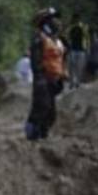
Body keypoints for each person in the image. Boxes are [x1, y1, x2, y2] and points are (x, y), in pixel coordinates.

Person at [25, 8, 65, 141]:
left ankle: (43, 133)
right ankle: (32, 133)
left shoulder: (56, 40)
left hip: (54, 79)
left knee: (51, 112)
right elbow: (36, 61)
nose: (57, 22)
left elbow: (58, 60)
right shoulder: (39, 38)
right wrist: (40, 77)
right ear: (45, 22)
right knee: (41, 106)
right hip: (43, 78)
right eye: (54, 19)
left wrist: (60, 77)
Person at [65, 14, 91, 89]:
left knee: (79, 67)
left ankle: (78, 82)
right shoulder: (71, 27)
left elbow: (87, 38)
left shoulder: (83, 27)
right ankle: (72, 82)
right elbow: (66, 36)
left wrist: (88, 48)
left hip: (81, 49)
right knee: (71, 66)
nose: (75, 20)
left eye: (76, 19)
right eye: (74, 19)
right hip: (72, 49)